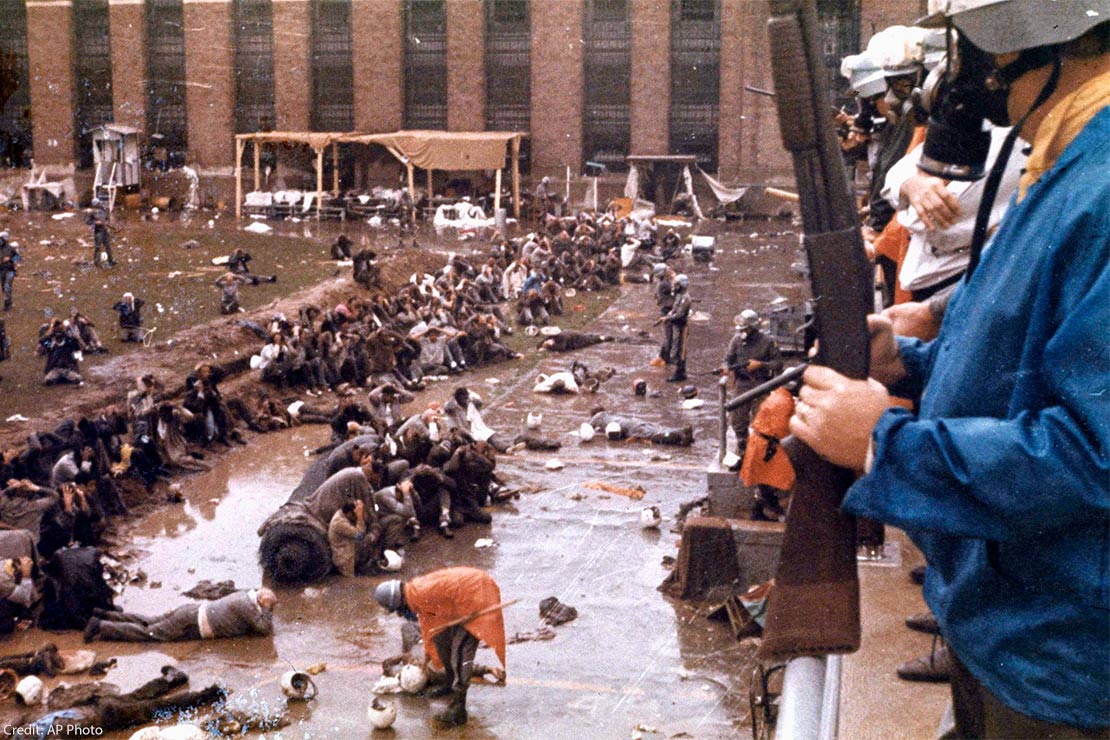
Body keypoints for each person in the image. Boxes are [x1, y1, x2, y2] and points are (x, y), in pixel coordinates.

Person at [789, 7, 1109, 737]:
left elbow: (1095, 454)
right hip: (1012, 622)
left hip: (1063, 661)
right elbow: (1028, 354)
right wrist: (907, 359)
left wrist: (883, 445)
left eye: (975, 55)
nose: (968, 81)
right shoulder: (1070, 160)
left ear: (1030, 38)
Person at [374, 568, 506, 726]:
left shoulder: (422, 592)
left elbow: (429, 623)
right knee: (442, 641)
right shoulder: (415, 595)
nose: (400, 614)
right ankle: (449, 684)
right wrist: (428, 655)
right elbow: (430, 627)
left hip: (476, 594)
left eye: (397, 610)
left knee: (460, 652)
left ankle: (458, 707)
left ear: (398, 602)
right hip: (461, 597)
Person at [84, 587, 276, 642]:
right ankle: (101, 626)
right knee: (149, 633)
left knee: (150, 621)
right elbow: (264, 629)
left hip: (190, 612)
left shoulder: (245, 595)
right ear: (261, 601)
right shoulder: (247, 607)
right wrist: (268, 609)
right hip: (192, 622)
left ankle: (105, 615)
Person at [721, 310, 782, 455]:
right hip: (742, 383)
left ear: (754, 328)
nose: (743, 332)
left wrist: (761, 364)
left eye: (746, 329)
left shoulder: (768, 341)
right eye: (741, 329)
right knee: (737, 419)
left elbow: (778, 364)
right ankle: (742, 445)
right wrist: (725, 368)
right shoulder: (736, 340)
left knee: (760, 419)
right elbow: (727, 359)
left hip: (761, 384)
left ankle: (760, 448)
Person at [657, 273, 691, 382]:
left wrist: (667, 318)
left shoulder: (685, 298)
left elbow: (680, 314)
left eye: (677, 285)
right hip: (676, 325)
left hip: (682, 326)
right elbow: (674, 309)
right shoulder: (679, 295)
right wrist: (668, 315)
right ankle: (679, 370)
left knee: (681, 349)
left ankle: (680, 372)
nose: (675, 287)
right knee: (676, 347)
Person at [38, 320, 83, 385]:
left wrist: (74, 364)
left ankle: (62, 378)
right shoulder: (51, 343)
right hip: (55, 369)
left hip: (67, 368)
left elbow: (78, 354)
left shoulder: (70, 341)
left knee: (78, 379)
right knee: (48, 381)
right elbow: (41, 342)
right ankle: (62, 378)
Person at [86, 198, 115, 267]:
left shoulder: (103, 210)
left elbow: (106, 218)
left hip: (104, 230)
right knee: (98, 247)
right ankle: (96, 262)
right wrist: (96, 222)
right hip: (98, 231)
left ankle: (111, 260)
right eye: (97, 204)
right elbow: (88, 221)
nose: (98, 205)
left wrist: (106, 223)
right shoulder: (92, 212)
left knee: (107, 246)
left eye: (98, 204)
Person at [0, 230, 20, 310]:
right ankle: (7, 302)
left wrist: (11, 259)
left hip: (10, 271)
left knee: (7, 286)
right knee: (4, 288)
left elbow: (18, 257)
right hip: (1, 271)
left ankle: (8, 305)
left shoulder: (10, 249)